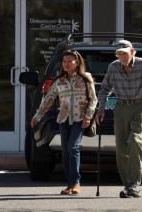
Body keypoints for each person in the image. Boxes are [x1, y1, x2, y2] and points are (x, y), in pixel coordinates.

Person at [97, 40, 142, 198]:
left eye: (124, 53)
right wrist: (101, 108)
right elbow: (105, 89)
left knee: (134, 141)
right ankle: (128, 185)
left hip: (139, 107)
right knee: (121, 147)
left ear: (132, 52)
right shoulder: (113, 67)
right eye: (119, 54)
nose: (122, 57)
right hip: (120, 107)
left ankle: (135, 183)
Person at [30, 50, 97, 195]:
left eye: (69, 61)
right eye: (64, 61)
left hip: (80, 118)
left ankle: (76, 183)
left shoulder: (86, 79)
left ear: (77, 63)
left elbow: (93, 99)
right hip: (64, 118)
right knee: (65, 151)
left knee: (73, 147)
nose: (66, 64)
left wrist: (88, 117)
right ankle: (69, 184)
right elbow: (48, 99)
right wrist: (37, 115)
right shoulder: (59, 81)